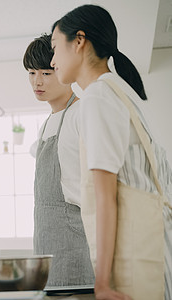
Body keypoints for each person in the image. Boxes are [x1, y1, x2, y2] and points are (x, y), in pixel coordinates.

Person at [51, 4, 171, 299]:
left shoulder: (97, 98)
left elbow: (107, 196)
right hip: (157, 246)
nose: (53, 61)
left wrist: (102, 282)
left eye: (54, 48)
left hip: (136, 252)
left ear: (79, 41)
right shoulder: (120, 90)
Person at [23, 34, 94, 287]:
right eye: (31, 73)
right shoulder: (47, 124)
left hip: (74, 242)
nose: (37, 81)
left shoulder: (81, 114)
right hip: (46, 243)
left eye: (46, 72)